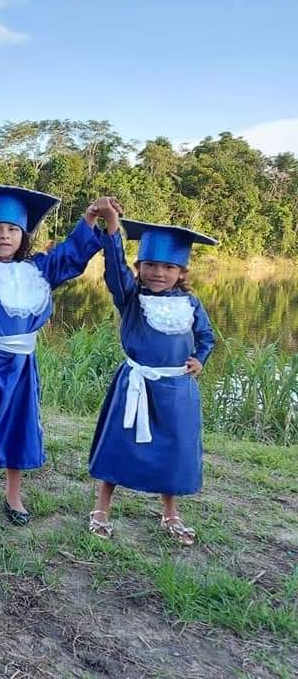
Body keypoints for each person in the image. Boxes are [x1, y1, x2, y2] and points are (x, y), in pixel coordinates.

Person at [0, 179, 106, 526]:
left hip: (22, 364)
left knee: (18, 424)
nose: (4, 236)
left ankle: (13, 493)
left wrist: (88, 219)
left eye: (12, 229)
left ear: (24, 234)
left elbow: (71, 256)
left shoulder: (39, 270)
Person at [87, 203, 217, 545]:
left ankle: (170, 513)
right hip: (136, 383)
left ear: (182, 272)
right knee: (120, 445)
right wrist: (113, 228)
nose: (159, 272)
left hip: (177, 390)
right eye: (151, 265)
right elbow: (114, 272)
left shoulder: (191, 305)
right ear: (139, 266)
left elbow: (206, 337)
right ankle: (101, 508)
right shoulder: (130, 298)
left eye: (169, 267)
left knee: (174, 449)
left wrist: (200, 359)